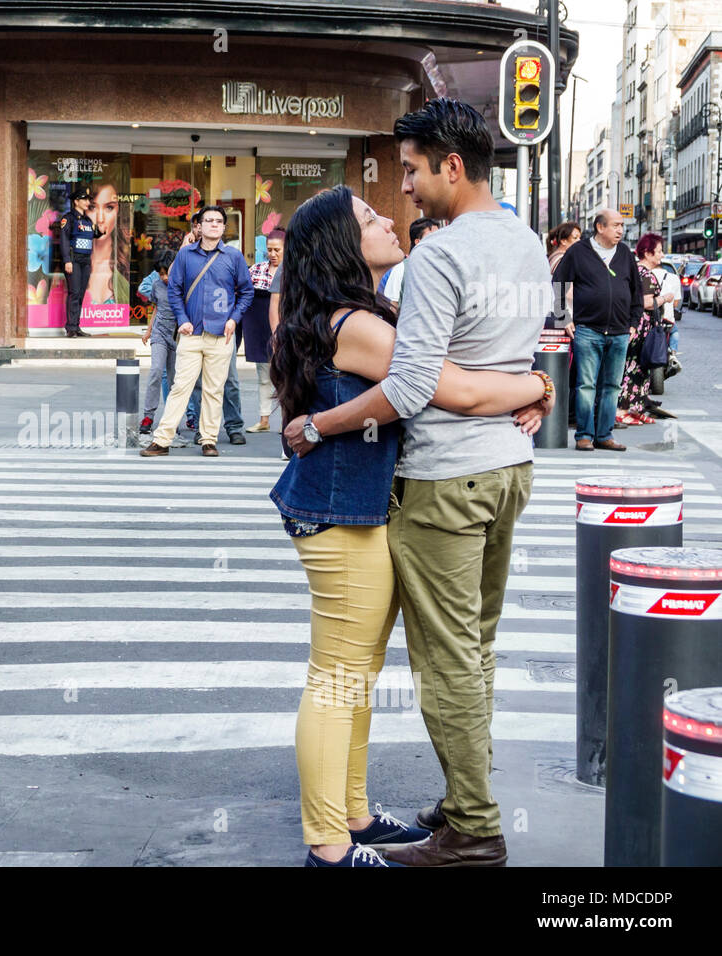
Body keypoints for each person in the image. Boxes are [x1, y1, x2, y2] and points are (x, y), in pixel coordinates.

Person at [283, 99, 555, 866]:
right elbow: (471, 373)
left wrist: (316, 426)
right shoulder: (529, 246)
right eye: (375, 206)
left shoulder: (433, 259)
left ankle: (464, 821)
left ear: (451, 166)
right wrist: (533, 385)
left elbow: (420, 389)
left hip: (442, 478)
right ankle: (354, 827)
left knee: (434, 660)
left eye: (409, 171)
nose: (402, 192)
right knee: (440, 654)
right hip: (503, 468)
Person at [140, 205, 252, 458]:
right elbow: (174, 290)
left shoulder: (233, 257)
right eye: (208, 220)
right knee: (181, 386)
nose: (214, 224)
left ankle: (209, 440)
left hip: (221, 335)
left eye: (218, 221)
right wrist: (182, 319)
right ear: (199, 226)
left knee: (215, 389)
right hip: (191, 334)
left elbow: (247, 292)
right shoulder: (185, 256)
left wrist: (234, 319)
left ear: (224, 227)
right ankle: (162, 439)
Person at [553, 209, 646, 452]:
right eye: (615, 225)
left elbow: (636, 290)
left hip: (619, 331)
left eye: (621, 226)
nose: (620, 230)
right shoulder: (578, 252)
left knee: (612, 386)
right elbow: (558, 284)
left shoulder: (625, 253)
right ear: (600, 227)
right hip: (587, 330)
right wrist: (564, 318)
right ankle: (584, 435)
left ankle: (605, 435)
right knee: (586, 385)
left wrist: (633, 322)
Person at [617, 234, 673, 425]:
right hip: (640, 328)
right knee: (634, 369)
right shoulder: (646, 274)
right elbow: (647, 302)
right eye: (658, 251)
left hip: (638, 327)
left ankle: (636, 408)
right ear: (647, 253)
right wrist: (665, 298)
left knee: (641, 370)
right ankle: (622, 409)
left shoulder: (636, 271)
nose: (661, 255)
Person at [244, 229, 284, 432]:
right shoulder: (256, 270)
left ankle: (288, 420)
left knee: (286, 377)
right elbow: (244, 295)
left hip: (284, 330)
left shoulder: (294, 272)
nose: (273, 254)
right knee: (263, 377)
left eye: (277, 250)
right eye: (269, 250)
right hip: (259, 330)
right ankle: (264, 420)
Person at [139, 249, 177, 434]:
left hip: (178, 337)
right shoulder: (156, 285)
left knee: (174, 380)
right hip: (160, 334)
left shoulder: (184, 286)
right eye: (161, 274)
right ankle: (148, 416)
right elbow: (156, 308)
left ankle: (172, 419)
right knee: (155, 371)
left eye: (166, 273)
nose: (164, 278)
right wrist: (148, 330)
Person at [57, 189, 100, 337]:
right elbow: (63, 240)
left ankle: (76, 326)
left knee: (80, 294)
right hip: (74, 259)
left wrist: (99, 227)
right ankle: (70, 328)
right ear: (76, 201)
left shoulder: (88, 221)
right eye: (85, 199)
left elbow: (96, 234)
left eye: (89, 200)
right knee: (74, 293)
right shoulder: (69, 218)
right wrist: (67, 260)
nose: (88, 202)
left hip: (85, 261)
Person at [377, 216, 439, 303]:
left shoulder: (438, 268)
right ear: (418, 241)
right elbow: (392, 307)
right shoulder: (401, 268)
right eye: (432, 236)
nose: (437, 240)